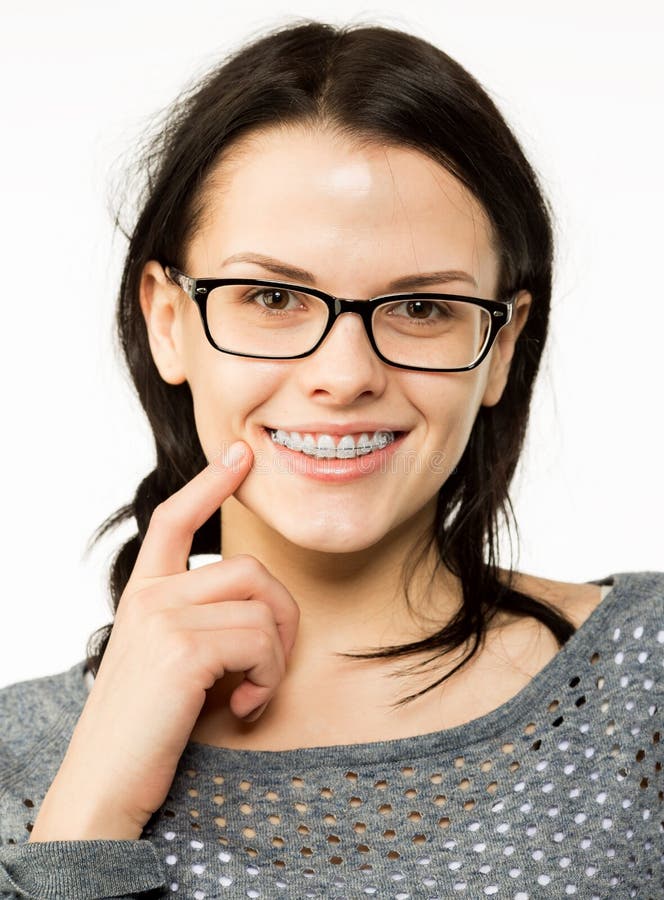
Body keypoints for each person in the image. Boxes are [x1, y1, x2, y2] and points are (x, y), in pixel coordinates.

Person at [0, 18, 661, 900]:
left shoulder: (642, 686)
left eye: (422, 308)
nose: (344, 376)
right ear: (168, 321)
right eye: (271, 296)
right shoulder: (21, 760)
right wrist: (87, 821)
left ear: (502, 347)